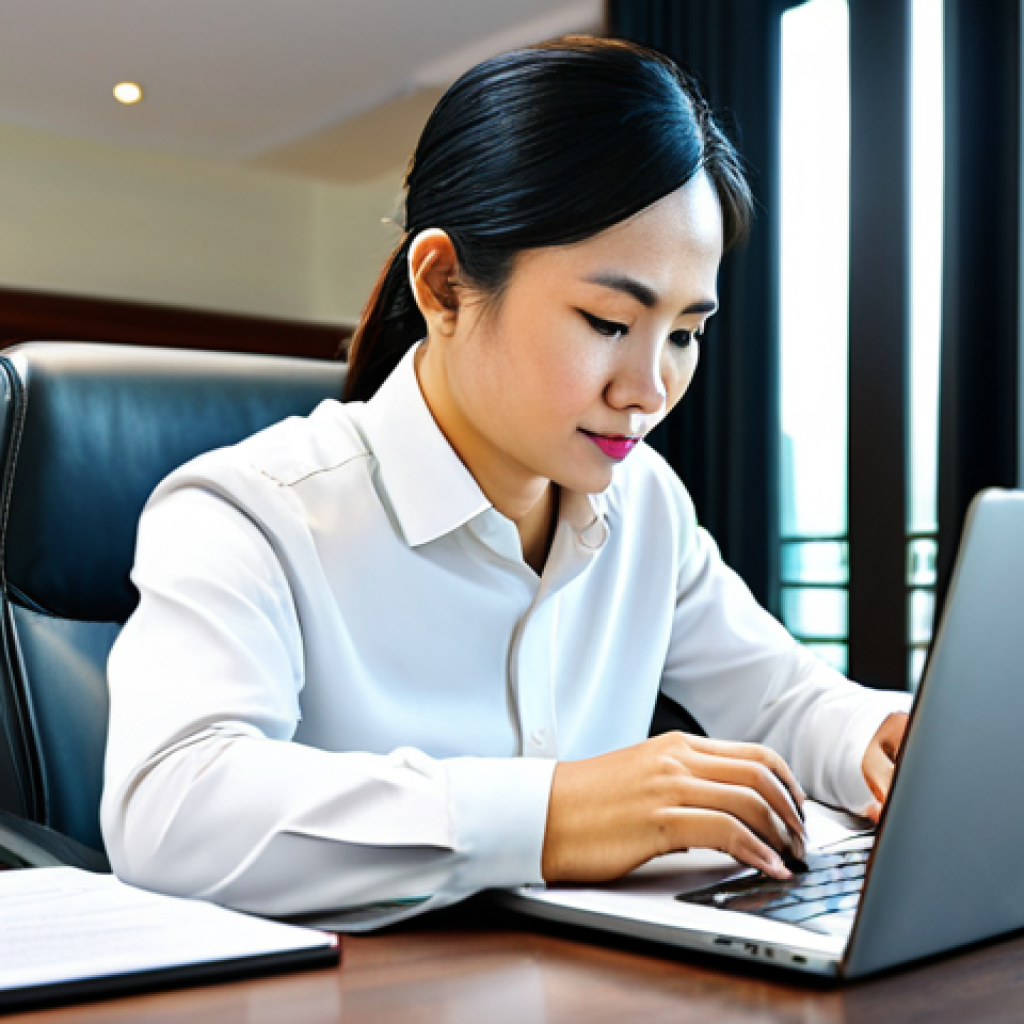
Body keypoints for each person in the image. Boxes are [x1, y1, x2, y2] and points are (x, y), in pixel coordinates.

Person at [101, 36, 911, 927]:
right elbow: (170, 810)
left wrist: (876, 738)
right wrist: (557, 813)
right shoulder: (246, 512)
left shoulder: (644, 506)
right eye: (608, 320)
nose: (647, 391)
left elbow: (778, 697)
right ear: (445, 286)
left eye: (684, 333)